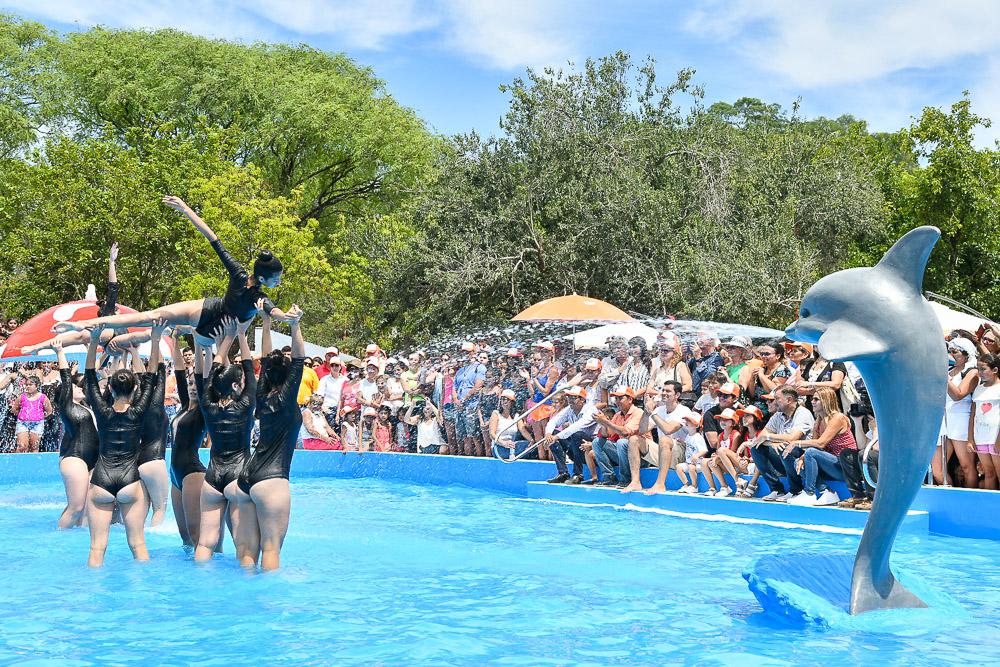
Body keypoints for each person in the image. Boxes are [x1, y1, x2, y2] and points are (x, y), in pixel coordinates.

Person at [53, 196, 291, 343]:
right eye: (276, 280)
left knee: (155, 322)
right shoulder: (252, 290)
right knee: (151, 320)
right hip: (211, 318)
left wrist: (286, 316)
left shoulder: (248, 284)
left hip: (211, 317)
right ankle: (81, 326)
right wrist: (186, 209)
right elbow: (213, 239)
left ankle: (82, 326)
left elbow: (213, 238)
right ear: (261, 277)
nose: (278, 283)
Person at [84, 320, 164, 567]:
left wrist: (95, 340)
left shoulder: (103, 411)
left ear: (109, 387)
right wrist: (156, 338)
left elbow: (88, 377)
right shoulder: (139, 411)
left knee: (97, 548)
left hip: (101, 481)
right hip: (130, 480)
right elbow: (151, 376)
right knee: (138, 544)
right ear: (135, 389)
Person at [235, 302, 305, 570]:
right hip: (272, 482)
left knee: (247, 553)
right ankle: (269, 610)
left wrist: (265, 320)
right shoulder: (287, 400)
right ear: (289, 378)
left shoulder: (262, 396)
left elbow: (264, 361)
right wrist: (295, 325)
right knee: (271, 551)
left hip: (247, 478)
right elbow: (299, 359)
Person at [195, 317, 257, 562]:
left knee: (205, 542)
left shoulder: (208, 405)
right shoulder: (244, 405)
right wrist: (240, 334)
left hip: (212, 478)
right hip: (238, 476)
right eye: (240, 381)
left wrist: (224, 340)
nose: (244, 382)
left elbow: (211, 377)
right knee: (243, 544)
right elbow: (250, 368)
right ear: (234, 385)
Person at [47, 339, 99, 528]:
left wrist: (91, 350)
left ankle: (78, 542)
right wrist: (60, 351)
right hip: (75, 458)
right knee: (76, 507)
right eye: (76, 388)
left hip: (93, 459)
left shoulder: (85, 406)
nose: (79, 388)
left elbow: (93, 378)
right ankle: (58, 540)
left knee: (87, 507)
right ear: (67, 394)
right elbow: (67, 379)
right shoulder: (67, 407)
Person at [169, 333, 209, 549]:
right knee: (184, 537)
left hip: (192, 473)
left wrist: (197, 340)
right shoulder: (185, 407)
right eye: (190, 383)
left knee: (196, 534)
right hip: (175, 474)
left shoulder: (202, 412)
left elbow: (202, 377)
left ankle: (206, 572)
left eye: (196, 384)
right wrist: (174, 339)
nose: (192, 386)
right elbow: (178, 370)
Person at [784, 387, 856, 506]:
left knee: (810, 452)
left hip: (845, 467)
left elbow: (820, 443)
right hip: (831, 464)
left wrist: (796, 442)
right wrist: (802, 458)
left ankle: (809, 493)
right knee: (797, 459)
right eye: (812, 399)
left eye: (816, 399)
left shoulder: (838, 418)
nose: (812, 401)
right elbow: (817, 446)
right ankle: (826, 491)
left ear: (827, 401)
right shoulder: (819, 420)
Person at [751, 386, 815, 502]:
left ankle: (796, 490)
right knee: (756, 448)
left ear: (789, 400)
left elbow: (792, 438)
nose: (774, 402)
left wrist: (769, 437)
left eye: (777, 399)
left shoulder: (803, 413)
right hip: (784, 458)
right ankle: (777, 490)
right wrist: (772, 443)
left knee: (786, 447)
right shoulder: (778, 415)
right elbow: (760, 437)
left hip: (802, 460)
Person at [636, 381, 696, 495]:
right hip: (664, 452)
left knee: (664, 439)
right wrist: (646, 412)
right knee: (635, 440)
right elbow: (642, 430)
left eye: (668, 391)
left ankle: (660, 484)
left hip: (681, 455)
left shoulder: (684, 411)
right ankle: (635, 481)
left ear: (677, 395)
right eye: (663, 390)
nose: (664, 393)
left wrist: (652, 412)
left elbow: (668, 430)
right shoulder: (659, 410)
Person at [934, 337, 979, 487]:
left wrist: (944, 377)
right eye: (949, 351)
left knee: (966, 466)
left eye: (955, 352)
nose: (951, 355)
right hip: (943, 419)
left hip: (961, 419)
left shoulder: (972, 372)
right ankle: (950, 494)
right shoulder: (948, 371)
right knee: (938, 469)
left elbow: (958, 394)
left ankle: (970, 499)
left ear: (966, 354)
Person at [137, 342, 170, 527]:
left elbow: (140, 376)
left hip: (139, 461)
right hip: (155, 462)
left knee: (144, 507)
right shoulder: (156, 407)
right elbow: (162, 373)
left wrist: (134, 351)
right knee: (160, 509)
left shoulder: (137, 408)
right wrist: (156, 344)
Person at [542, 386, 598, 484]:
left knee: (577, 434)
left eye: (573, 398)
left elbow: (576, 427)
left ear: (582, 400)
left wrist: (557, 437)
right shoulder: (569, 409)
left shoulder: (591, 410)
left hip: (591, 448)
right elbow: (553, 421)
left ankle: (578, 474)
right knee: (554, 433)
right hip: (577, 447)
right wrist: (549, 434)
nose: (570, 401)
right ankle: (563, 473)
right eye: (569, 398)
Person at [969, 354, 1000, 490]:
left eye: (983, 369)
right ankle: (990, 506)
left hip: (996, 437)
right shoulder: (978, 389)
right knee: (988, 473)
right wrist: (970, 439)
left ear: (995, 370)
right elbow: (973, 415)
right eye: (978, 369)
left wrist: (999, 439)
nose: (980, 373)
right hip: (981, 436)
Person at [455, 342, 487, 457]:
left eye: (467, 352)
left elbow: (478, 386)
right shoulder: (460, 370)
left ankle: (478, 460)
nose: (465, 354)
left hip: (471, 406)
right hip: (460, 407)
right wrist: (457, 401)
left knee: (474, 436)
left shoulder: (480, 367)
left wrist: (464, 399)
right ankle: (465, 459)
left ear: (474, 352)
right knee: (462, 437)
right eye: (463, 352)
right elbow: (455, 388)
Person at [702, 408, 743, 497]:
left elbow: (732, 453)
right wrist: (715, 456)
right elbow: (718, 452)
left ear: (733, 423)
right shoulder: (720, 435)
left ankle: (735, 480)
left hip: (735, 464)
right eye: (721, 419)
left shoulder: (736, 434)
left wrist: (718, 457)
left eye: (726, 419)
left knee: (720, 452)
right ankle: (716, 487)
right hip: (725, 463)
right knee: (705, 462)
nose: (722, 421)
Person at [12, 375, 52, 453]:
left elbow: (49, 410)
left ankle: (34, 464)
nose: (28, 386)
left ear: (36, 386)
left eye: (30, 385)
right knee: (22, 446)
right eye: (26, 384)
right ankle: (17, 462)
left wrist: (40, 416)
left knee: (34, 446)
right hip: (23, 423)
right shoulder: (22, 396)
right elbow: (14, 408)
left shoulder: (43, 397)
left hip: (37, 424)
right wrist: (22, 415)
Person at [490, 389, 532, 460]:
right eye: (503, 399)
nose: (504, 401)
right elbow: (492, 434)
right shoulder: (496, 414)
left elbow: (523, 431)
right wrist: (503, 443)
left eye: (507, 399)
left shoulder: (516, 416)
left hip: (511, 446)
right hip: (498, 447)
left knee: (530, 446)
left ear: (512, 402)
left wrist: (532, 441)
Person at [748, 342, 791, 412]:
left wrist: (761, 375)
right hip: (756, 406)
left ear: (778, 356)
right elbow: (753, 395)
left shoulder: (783, 370)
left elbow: (774, 391)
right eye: (762, 354)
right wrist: (752, 379)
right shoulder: (763, 369)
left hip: (771, 407)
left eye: (767, 354)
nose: (763, 356)